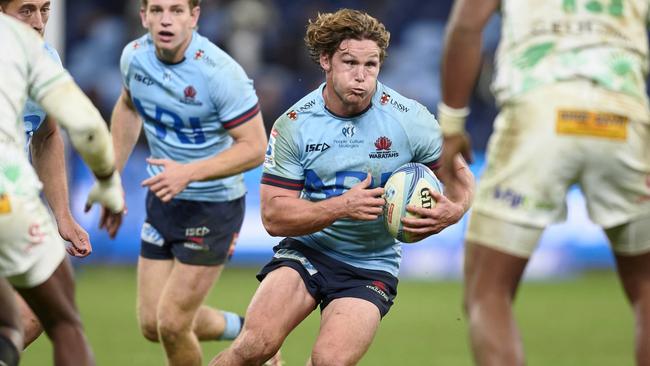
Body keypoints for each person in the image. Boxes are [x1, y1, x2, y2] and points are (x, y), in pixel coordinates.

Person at [210, 8, 474, 366]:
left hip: (370, 265)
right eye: (350, 63)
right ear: (326, 60)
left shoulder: (409, 118)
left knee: (330, 362)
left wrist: (456, 209)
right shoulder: (294, 124)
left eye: (371, 65)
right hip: (306, 252)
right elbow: (274, 216)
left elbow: (460, 177)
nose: (361, 77)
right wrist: (341, 207)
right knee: (253, 347)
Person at [439, 1, 650, 365]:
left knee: (488, 289)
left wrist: (452, 125)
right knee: (647, 289)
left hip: (541, 108)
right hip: (623, 114)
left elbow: (466, 26)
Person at [110, 0, 267, 364]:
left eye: (177, 10)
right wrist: (111, 178)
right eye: (158, 10)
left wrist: (188, 172)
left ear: (194, 17)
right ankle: (251, 334)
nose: (166, 19)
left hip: (213, 206)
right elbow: (128, 105)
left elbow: (256, 148)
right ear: (143, 16)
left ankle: (256, 340)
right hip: (163, 197)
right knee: (152, 323)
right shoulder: (133, 57)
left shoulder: (220, 73)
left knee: (172, 324)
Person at [0, 13, 125, 366]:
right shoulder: (29, 53)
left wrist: (63, 214)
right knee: (62, 319)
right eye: (26, 9)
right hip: (8, 194)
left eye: (45, 8)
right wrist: (108, 181)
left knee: (22, 317)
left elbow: (48, 133)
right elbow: (86, 126)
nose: (39, 21)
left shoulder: (45, 52)